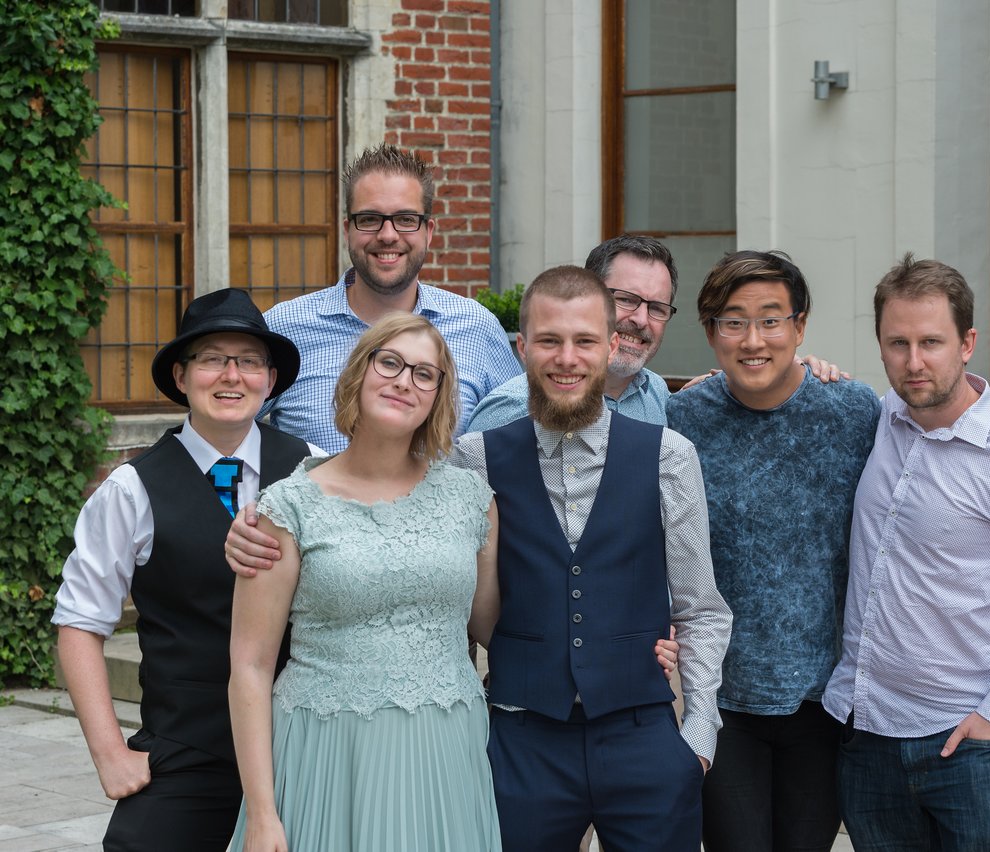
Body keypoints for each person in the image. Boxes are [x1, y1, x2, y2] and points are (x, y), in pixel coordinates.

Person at [451, 264, 731, 852]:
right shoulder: (474, 459)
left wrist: (697, 735)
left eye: (584, 341)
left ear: (610, 347)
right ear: (522, 347)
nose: (567, 358)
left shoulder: (669, 457)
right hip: (519, 739)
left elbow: (701, 608)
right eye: (549, 340)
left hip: (643, 739)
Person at [821, 254, 990, 851]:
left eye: (931, 342)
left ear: (967, 343)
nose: (914, 362)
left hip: (967, 746)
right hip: (865, 735)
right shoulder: (880, 417)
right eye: (897, 343)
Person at [52, 289, 315, 851]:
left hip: (301, 744)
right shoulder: (131, 489)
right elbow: (79, 623)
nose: (231, 375)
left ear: (269, 380)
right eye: (212, 358)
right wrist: (109, 754)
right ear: (181, 374)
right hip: (189, 749)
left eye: (248, 361)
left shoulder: (310, 469)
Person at [226, 313, 501, 851]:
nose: (404, 381)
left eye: (425, 374)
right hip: (327, 750)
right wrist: (262, 814)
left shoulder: (472, 499)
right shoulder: (288, 506)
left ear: (439, 397)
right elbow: (251, 665)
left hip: (444, 751)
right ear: (358, 372)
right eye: (391, 362)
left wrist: (637, 639)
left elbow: (497, 629)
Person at [666, 251, 880, 852]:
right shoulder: (681, 420)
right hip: (719, 697)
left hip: (823, 698)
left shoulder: (853, 412)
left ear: (800, 327)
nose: (753, 339)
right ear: (710, 332)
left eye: (771, 319)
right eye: (733, 321)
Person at [261, 143, 521, 452]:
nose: (387, 235)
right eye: (369, 219)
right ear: (347, 231)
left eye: (406, 219)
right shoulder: (284, 328)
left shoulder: (477, 328)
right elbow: (222, 432)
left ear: (429, 231)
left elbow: (518, 440)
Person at [467, 234, 848, 434]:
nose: (640, 319)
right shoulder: (512, 411)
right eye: (627, 300)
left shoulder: (662, 401)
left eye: (657, 308)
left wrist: (788, 368)